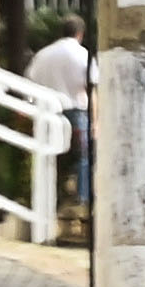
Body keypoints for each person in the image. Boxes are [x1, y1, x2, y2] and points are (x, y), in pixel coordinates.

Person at [27, 20, 92, 226]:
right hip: (76, 111)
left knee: (52, 157)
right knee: (82, 157)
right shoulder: (82, 55)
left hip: (47, 112)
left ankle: (53, 200)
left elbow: (30, 81)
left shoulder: (43, 55)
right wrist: (96, 121)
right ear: (80, 34)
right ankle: (81, 200)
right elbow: (92, 87)